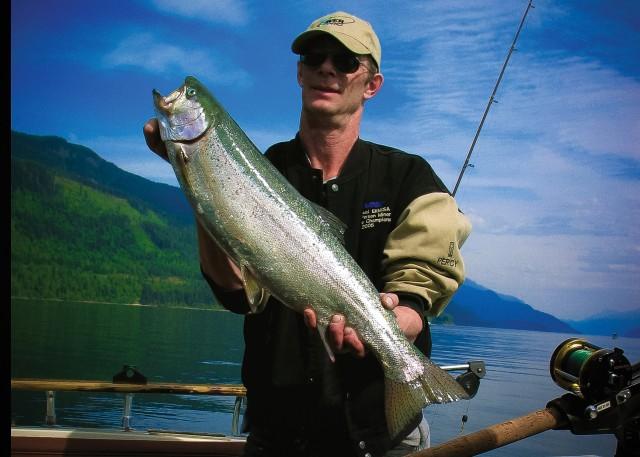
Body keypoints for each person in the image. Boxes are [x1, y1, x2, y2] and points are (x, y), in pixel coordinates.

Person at [144, 11, 471, 457]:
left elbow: (422, 279)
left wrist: (402, 324)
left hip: (379, 437)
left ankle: (410, 381)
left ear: (371, 84)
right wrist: (196, 178)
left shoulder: (409, 176)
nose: (327, 68)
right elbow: (237, 293)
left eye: (346, 60)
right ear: (300, 71)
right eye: (315, 56)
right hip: (276, 435)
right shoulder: (256, 170)